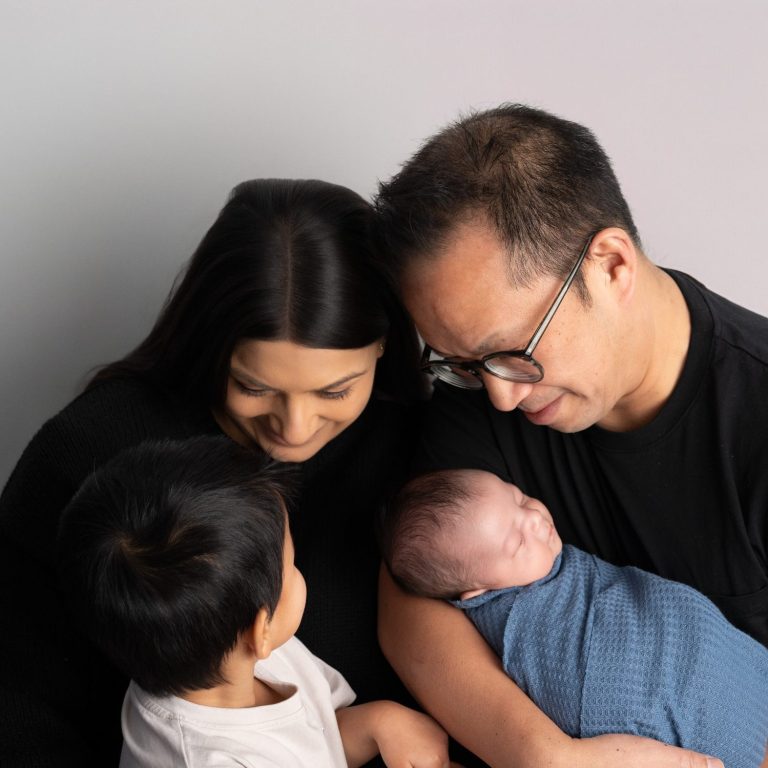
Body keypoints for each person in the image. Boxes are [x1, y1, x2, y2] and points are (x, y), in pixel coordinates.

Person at [373, 103, 768, 767]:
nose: (500, 394)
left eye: (511, 353)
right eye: (464, 362)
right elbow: (413, 603)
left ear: (611, 266)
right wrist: (548, 757)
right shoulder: (477, 393)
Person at [0, 179, 426, 766]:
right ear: (211, 344)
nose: (295, 428)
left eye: (335, 391)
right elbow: (18, 696)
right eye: (254, 386)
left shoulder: (416, 438)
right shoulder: (92, 454)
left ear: (382, 346)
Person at [57, 437, 449, 768]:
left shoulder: (217, 646)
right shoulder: (207, 758)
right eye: (291, 566)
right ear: (259, 630)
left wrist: (379, 722)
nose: (299, 575)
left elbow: (315, 744)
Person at [381, 468, 768, 768]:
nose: (534, 518)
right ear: (478, 593)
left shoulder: (537, 564)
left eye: (518, 497)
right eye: (517, 541)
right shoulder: (520, 620)